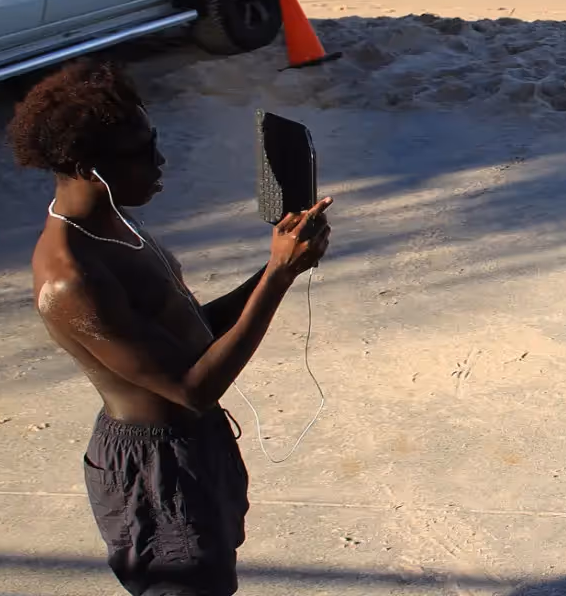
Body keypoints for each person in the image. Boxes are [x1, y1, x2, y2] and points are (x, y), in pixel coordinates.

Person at [19, 60, 333, 596]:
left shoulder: (116, 220)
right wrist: (278, 277)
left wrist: (281, 263)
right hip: (152, 469)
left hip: (193, 447)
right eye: (141, 152)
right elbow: (192, 388)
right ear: (87, 166)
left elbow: (193, 331)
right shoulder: (70, 278)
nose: (161, 160)